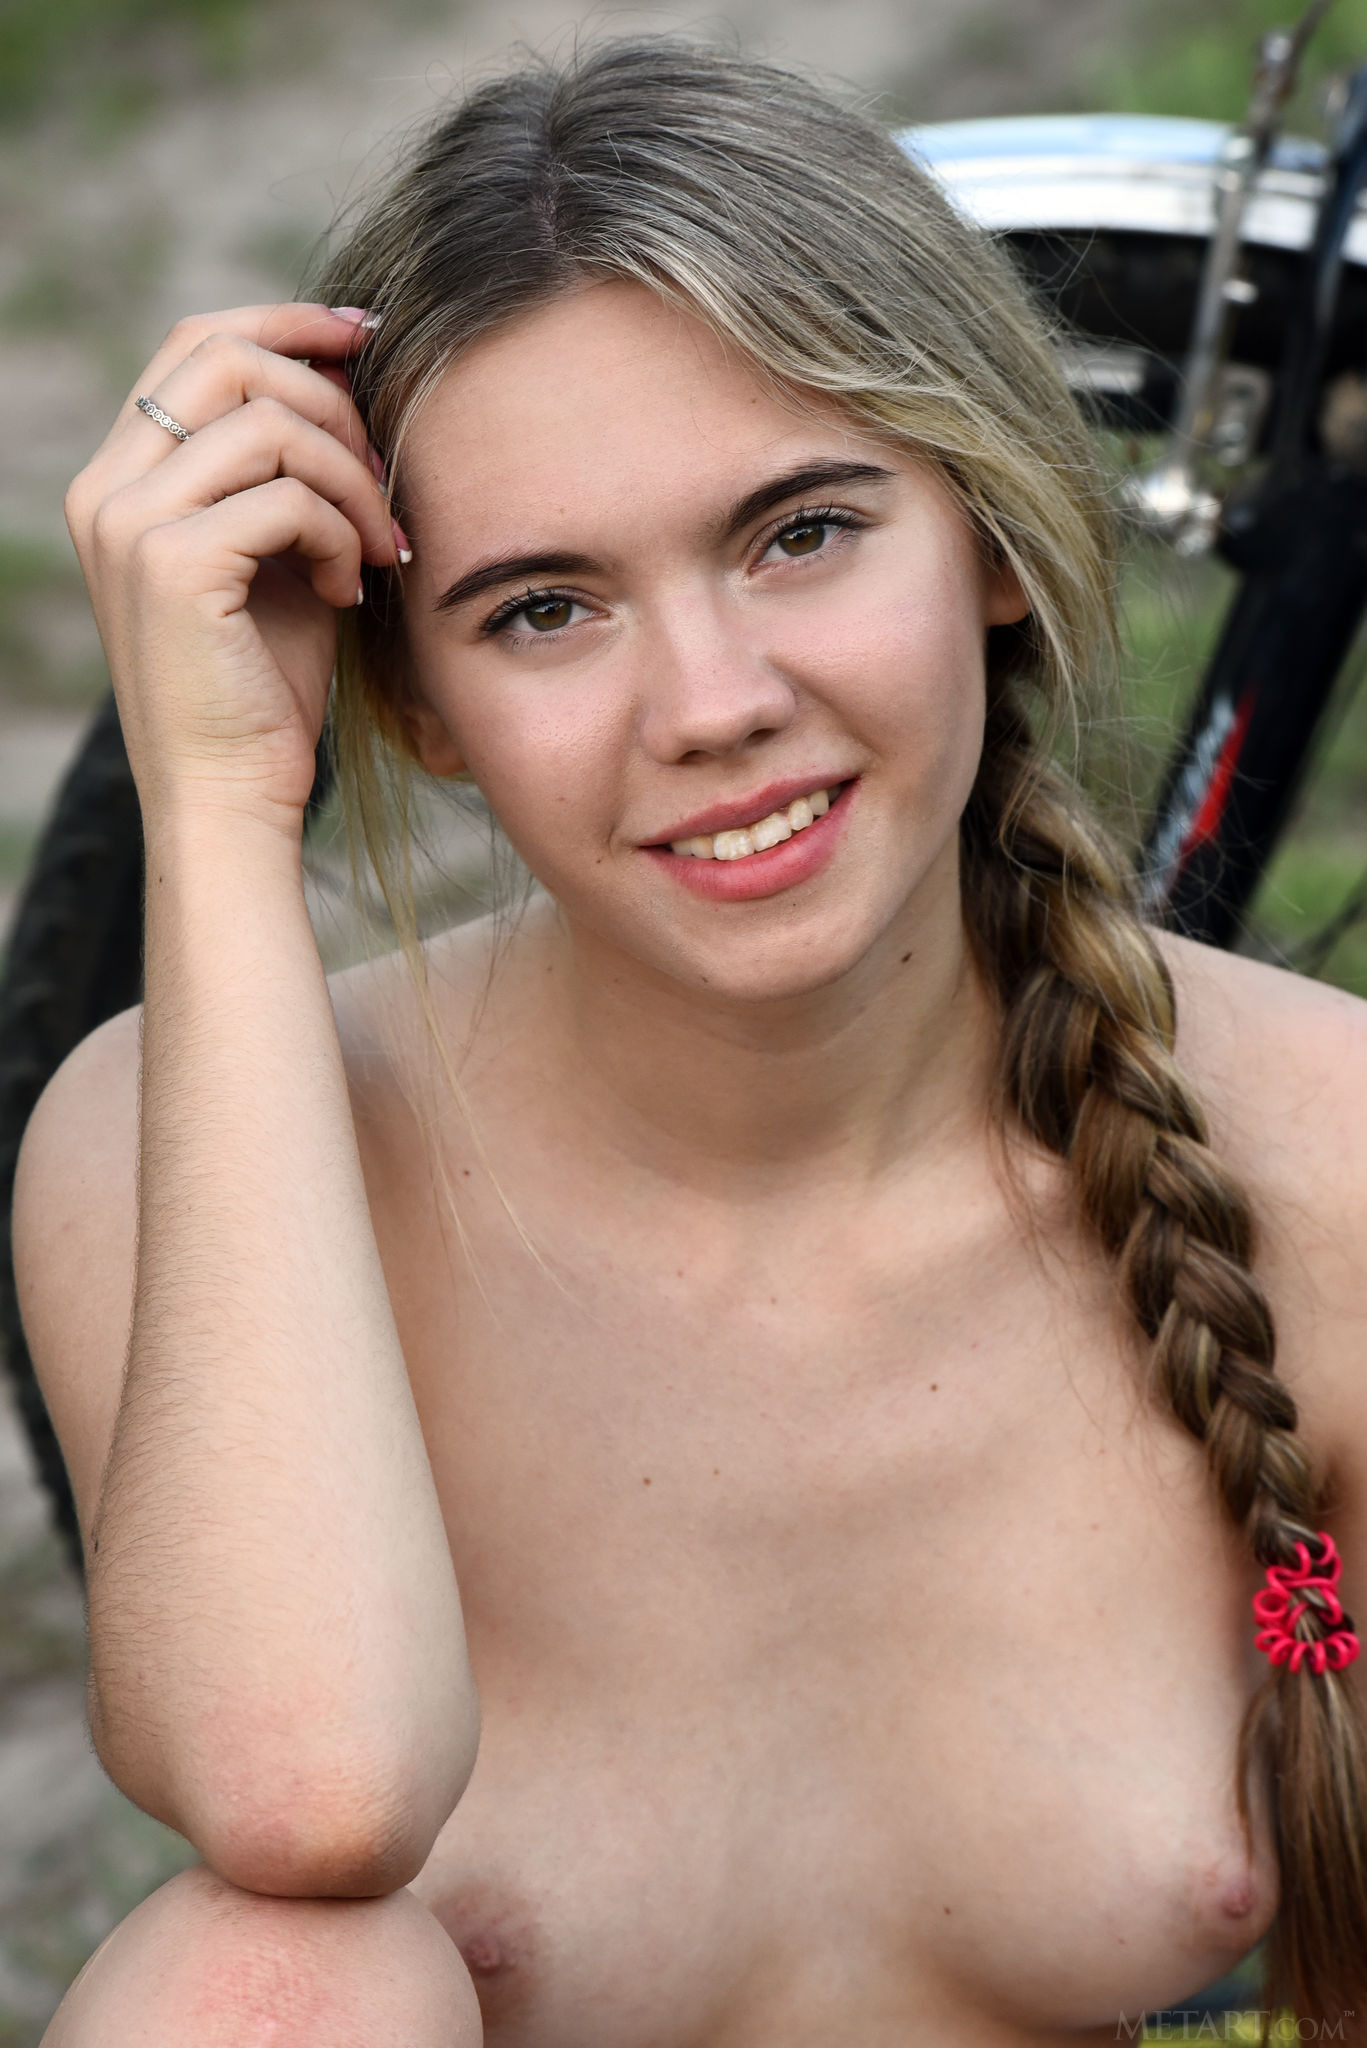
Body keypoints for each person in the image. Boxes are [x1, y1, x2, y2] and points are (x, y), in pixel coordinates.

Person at [13, 37, 1367, 2046]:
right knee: (262, 1984)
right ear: (418, 704)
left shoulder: (1331, 1155)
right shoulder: (173, 1142)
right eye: (544, 610)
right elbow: (306, 1790)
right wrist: (216, 807)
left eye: (800, 531)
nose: (713, 703)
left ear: (993, 533)